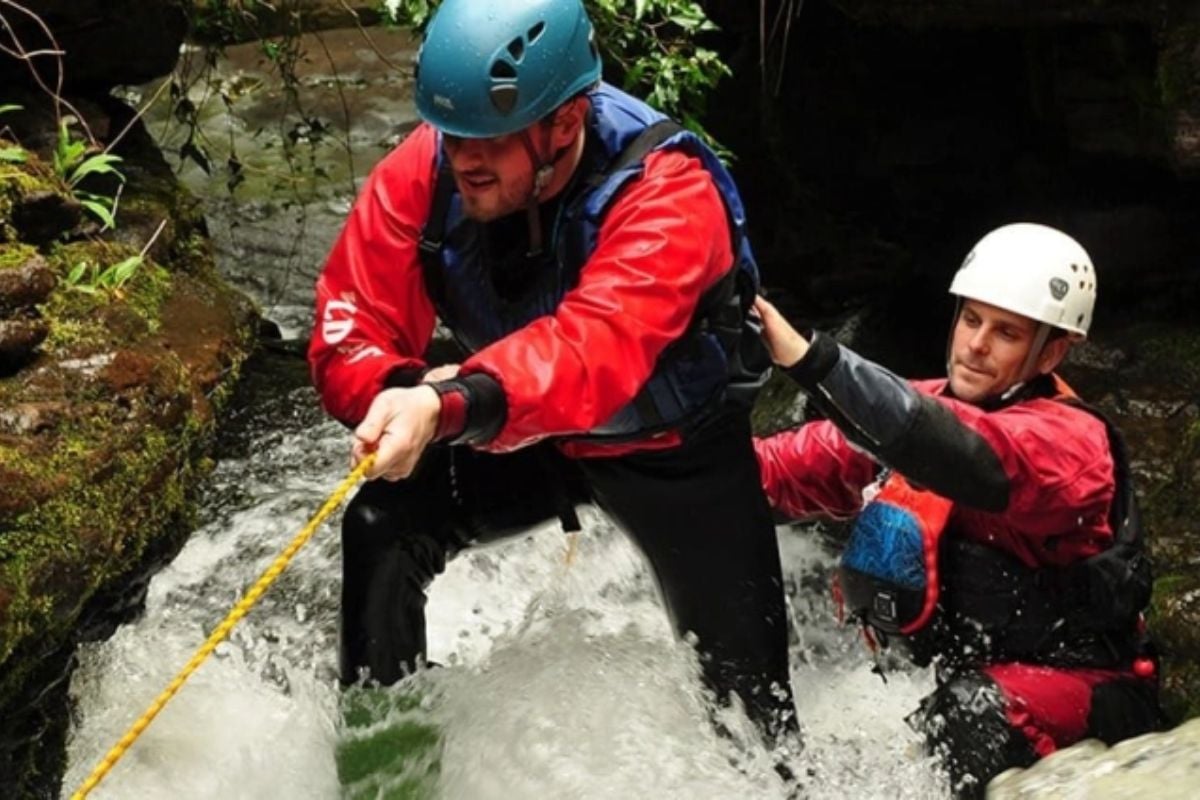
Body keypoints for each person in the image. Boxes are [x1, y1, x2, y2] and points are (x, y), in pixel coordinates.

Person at [307, 0, 799, 759]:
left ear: (564, 123)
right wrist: (400, 388)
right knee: (382, 524)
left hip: (674, 453)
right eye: (456, 132)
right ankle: (388, 774)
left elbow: (591, 349)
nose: (466, 158)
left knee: (754, 721)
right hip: (512, 431)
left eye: (493, 137)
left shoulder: (667, 194)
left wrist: (448, 404)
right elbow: (352, 314)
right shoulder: (431, 165)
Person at [753, 223, 1163, 797]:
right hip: (958, 681)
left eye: (1007, 333)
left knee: (970, 712)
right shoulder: (916, 412)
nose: (975, 344)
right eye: (971, 320)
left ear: (1053, 350)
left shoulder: (1070, 446)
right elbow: (778, 469)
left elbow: (960, 452)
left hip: (1085, 690)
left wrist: (809, 359)